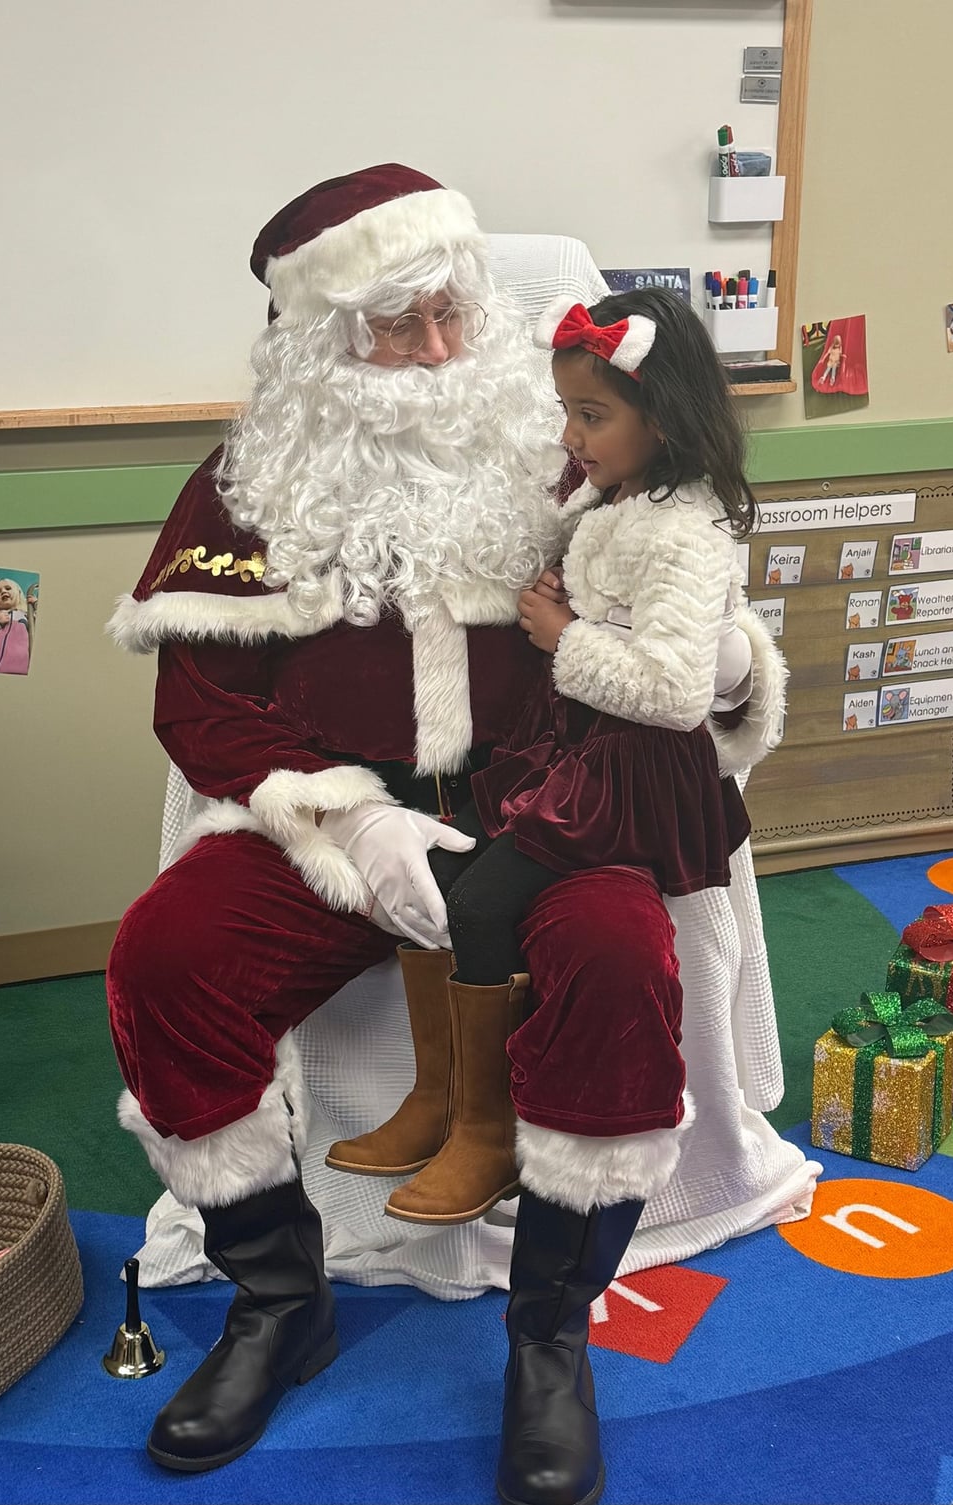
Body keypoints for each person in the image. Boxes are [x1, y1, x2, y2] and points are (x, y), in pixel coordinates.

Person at [105, 164, 793, 1502]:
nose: (434, 353)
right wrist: (352, 824)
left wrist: (718, 663)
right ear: (318, 343)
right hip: (339, 818)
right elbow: (197, 699)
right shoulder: (248, 488)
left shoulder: (573, 446)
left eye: (451, 317)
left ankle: (547, 1334)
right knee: (168, 955)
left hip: (548, 810)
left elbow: (682, 591)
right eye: (394, 325)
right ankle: (278, 1300)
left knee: (614, 962)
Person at [328, 288, 769, 1229]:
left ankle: (487, 1132)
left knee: (482, 900)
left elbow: (673, 691)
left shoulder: (684, 530)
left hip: (631, 777)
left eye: (593, 415)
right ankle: (441, 1100)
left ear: (666, 416)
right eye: (566, 410)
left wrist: (562, 635)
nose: (572, 433)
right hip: (581, 754)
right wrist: (565, 586)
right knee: (443, 854)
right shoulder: (624, 496)